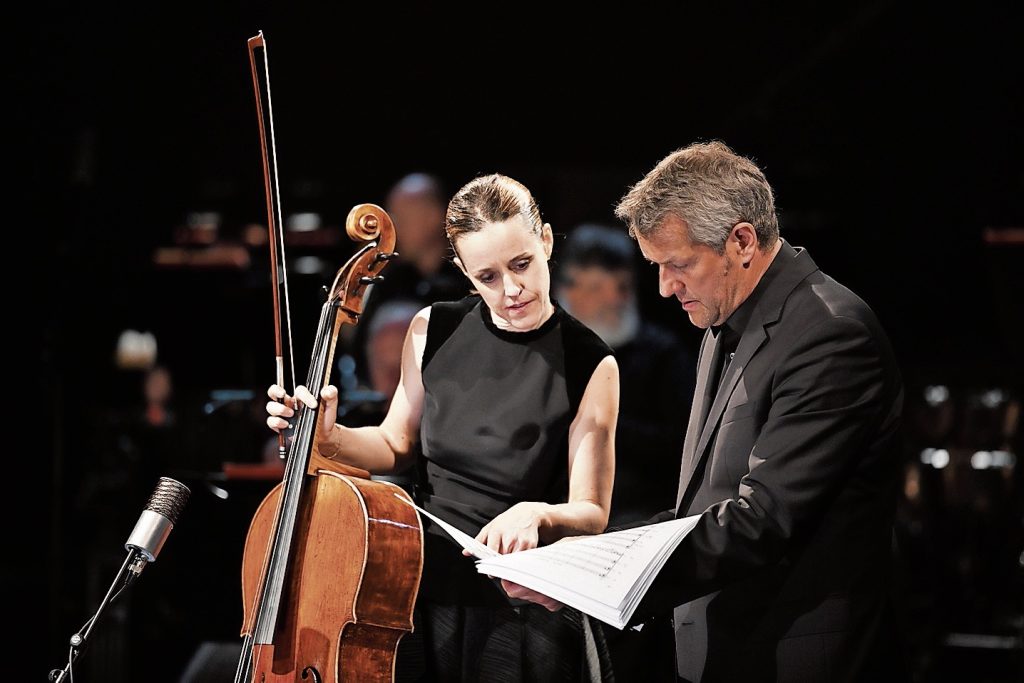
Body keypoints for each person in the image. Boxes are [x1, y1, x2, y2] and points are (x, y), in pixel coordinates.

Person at [508, 141, 905, 682]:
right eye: (657, 266)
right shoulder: (723, 323)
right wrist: (585, 558)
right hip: (725, 651)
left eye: (678, 264)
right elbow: (701, 505)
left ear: (741, 241)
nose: (665, 287)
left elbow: (760, 520)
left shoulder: (831, 334)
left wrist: (596, 574)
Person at [267, 173, 619, 682]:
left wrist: (538, 513)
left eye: (521, 264)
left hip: (519, 597)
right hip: (420, 585)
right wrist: (328, 437)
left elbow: (592, 512)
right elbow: (394, 443)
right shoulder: (432, 328)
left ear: (545, 241)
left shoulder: (590, 362)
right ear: (463, 271)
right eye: (488, 276)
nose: (511, 289)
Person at [556, 224, 696, 681]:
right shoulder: (550, 353)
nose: (615, 298)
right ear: (567, 288)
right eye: (598, 286)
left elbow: (681, 448)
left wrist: (601, 423)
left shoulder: (663, 354)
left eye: (622, 286)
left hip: (635, 527)